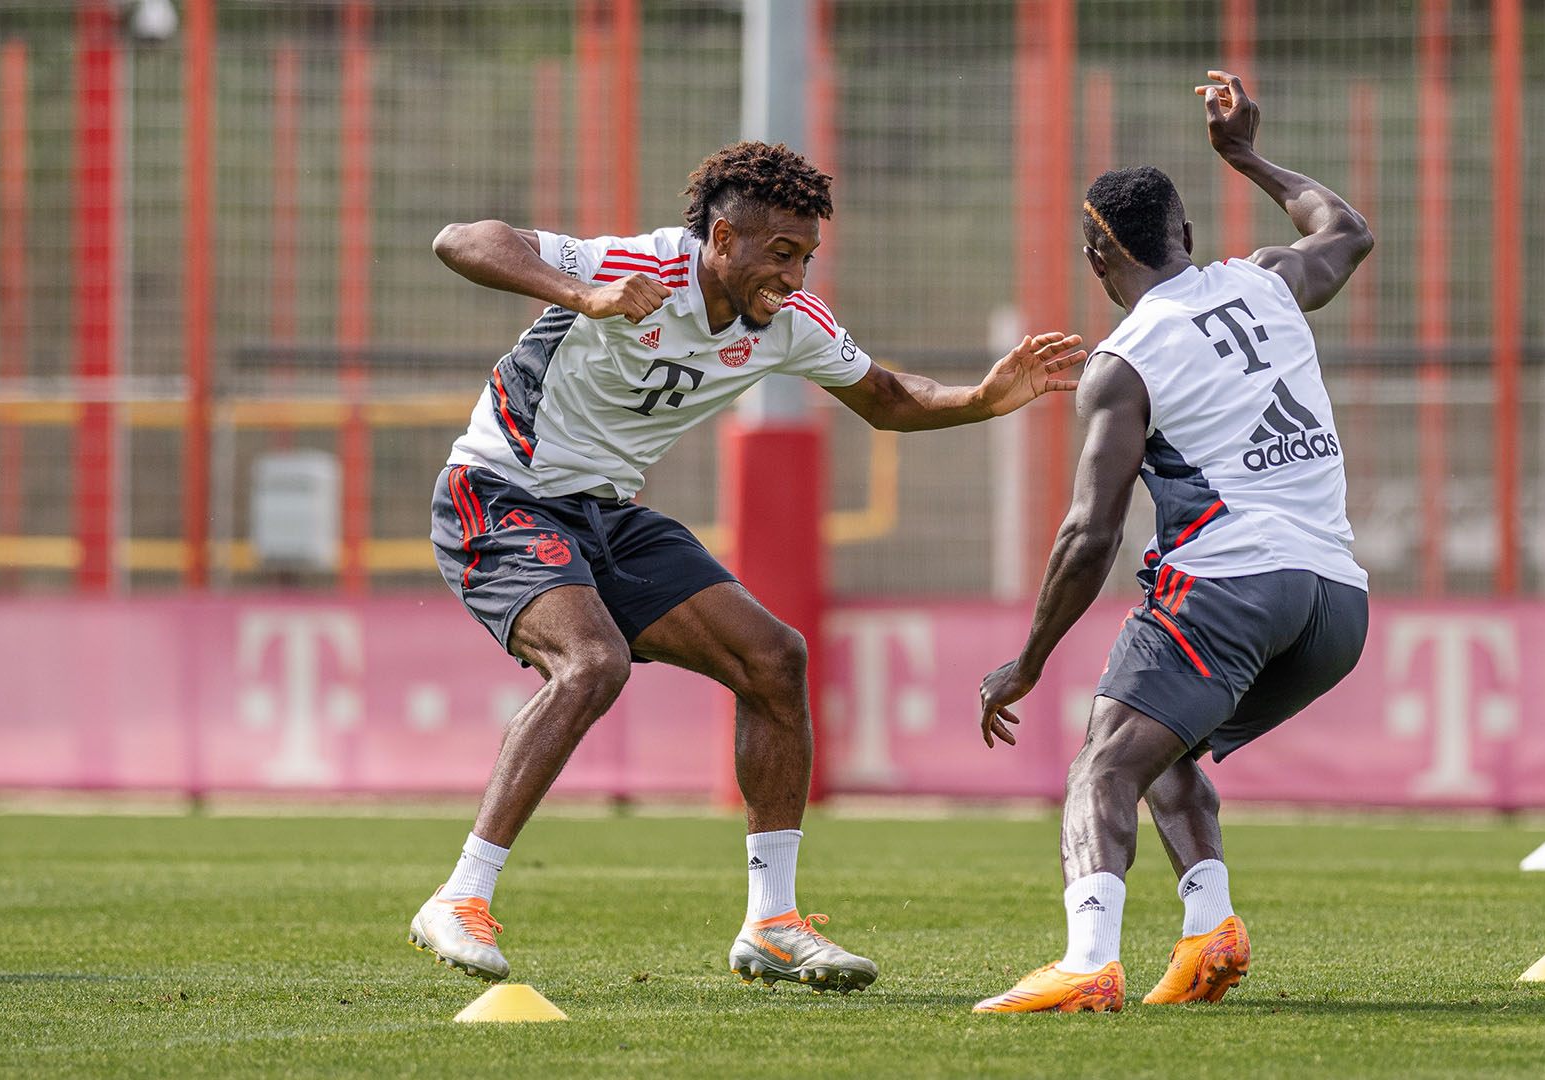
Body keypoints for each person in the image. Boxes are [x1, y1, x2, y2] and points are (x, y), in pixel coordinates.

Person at [411, 141, 1086, 995]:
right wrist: (587, 295)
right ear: (722, 239)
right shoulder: (639, 264)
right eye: (781, 254)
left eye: (805, 257)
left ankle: (771, 924)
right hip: (500, 492)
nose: (796, 276)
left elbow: (883, 397)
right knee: (592, 662)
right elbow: (461, 239)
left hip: (605, 514)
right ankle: (460, 898)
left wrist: (983, 400)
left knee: (775, 658)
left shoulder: (791, 321)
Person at [971, 71, 1375, 1014]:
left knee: (1104, 763)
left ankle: (1086, 964)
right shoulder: (1267, 281)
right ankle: (1209, 933)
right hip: (1336, 603)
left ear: (1093, 258)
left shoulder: (1126, 360)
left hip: (1232, 584)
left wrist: (1027, 660)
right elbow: (1347, 230)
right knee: (1163, 746)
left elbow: (1089, 533)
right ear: (1187, 236)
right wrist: (1246, 157)